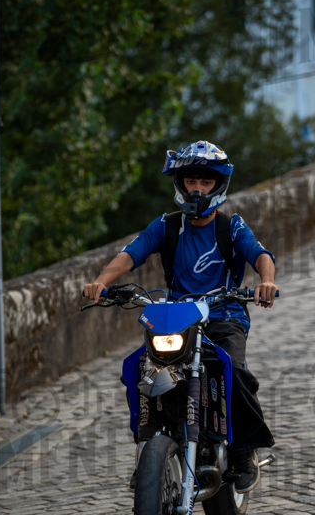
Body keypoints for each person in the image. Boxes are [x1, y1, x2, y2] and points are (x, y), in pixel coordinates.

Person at [84, 140, 277, 492]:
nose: (197, 188)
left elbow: (260, 253)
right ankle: (147, 453)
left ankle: (243, 452)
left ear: (218, 185)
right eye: (191, 181)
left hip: (223, 314)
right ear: (180, 183)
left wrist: (266, 281)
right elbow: (131, 253)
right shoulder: (167, 226)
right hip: (177, 317)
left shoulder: (230, 226)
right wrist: (101, 281)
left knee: (231, 368)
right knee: (137, 369)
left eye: (205, 181)